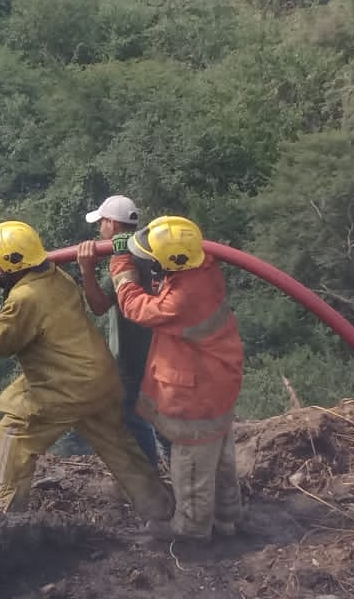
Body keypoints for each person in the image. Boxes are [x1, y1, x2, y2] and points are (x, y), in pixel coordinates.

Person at [0, 219, 174, 521]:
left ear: (11, 265)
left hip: (66, 387)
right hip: (97, 379)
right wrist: (8, 284)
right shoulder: (55, 275)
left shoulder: (25, 298)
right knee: (120, 448)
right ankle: (161, 511)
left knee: (14, 433)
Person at [109, 215, 244, 541]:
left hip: (197, 395)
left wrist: (121, 261)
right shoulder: (203, 265)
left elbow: (135, 307)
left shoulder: (181, 298)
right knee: (219, 460)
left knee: (193, 465)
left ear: (169, 262)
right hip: (217, 383)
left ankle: (192, 531)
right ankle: (227, 520)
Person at [76, 195, 167, 470]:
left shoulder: (126, 256)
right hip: (163, 352)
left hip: (132, 355)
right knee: (162, 417)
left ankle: (150, 479)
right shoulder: (152, 249)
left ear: (112, 224)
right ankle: (182, 480)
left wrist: (86, 270)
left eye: (101, 223)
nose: (99, 229)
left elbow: (99, 305)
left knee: (134, 416)